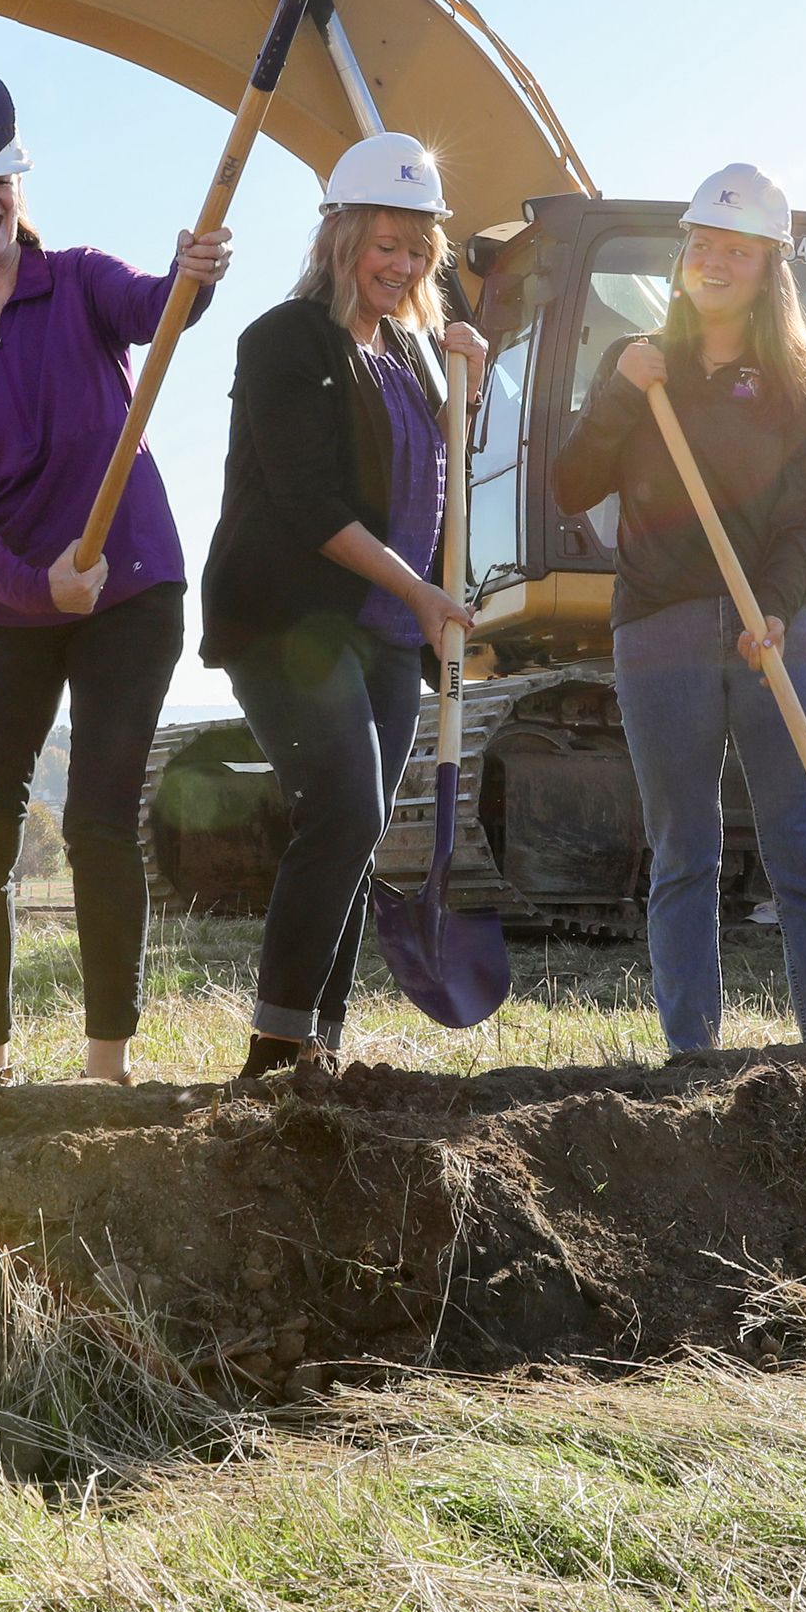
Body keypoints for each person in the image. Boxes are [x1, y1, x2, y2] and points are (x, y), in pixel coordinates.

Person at [0, 135, 229, 1085]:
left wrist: (190, 275)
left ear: (18, 189)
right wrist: (36, 585)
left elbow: (161, 309)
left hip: (130, 589)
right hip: (9, 603)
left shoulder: (81, 281)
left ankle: (107, 1064)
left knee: (96, 819)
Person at [554, 163, 806, 1056]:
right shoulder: (643, 369)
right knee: (683, 846)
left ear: (771, 267)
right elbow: (574, 483)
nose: (717, 262)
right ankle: (690, 1055)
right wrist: (618, 390)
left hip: (777, 630)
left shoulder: (802, 382)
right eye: (704, 245)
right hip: (658, 630)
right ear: (684, 254)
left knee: (801, 850)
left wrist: (772, 608)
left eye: (739, 249)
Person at [198, 133, 487, 1081]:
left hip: (390, 635)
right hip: (291, 621)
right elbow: (310, 504)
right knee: (346, 810)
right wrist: (421, 588)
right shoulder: (285, 339)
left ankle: (321, 1050)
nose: (400, 264)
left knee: (356, 837)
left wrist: (468, 387)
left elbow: (435, 480)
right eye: (384, 242)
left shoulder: (409, 352)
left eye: (416, 248)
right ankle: (273, 1052)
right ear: (339, 235)